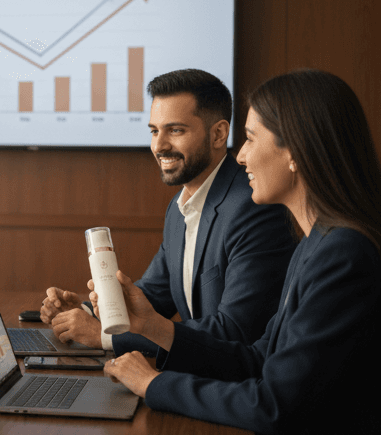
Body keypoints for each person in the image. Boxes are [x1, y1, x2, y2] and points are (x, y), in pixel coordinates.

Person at [105, 69, 381, 435]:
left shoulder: (342, 254)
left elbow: (273, 404)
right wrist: (154, 327)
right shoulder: (314, 243)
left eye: (251, 138)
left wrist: (153, 385)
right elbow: (257, 359)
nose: (240, 156)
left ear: (296, 152)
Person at [43, 69, 295, 357]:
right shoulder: (179, 208)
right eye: (154, 130)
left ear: (218, 134)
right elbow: (153, 295)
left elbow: (235, 331)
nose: (159, 146)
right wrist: (89, 311)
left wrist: (105, 337)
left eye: (175, 130)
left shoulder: (253, 208)